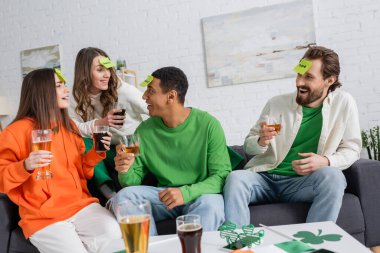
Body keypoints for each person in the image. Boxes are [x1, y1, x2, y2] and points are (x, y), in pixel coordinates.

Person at [224, 46, 362, 226]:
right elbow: (249, 146)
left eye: (308, 77)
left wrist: (326, 161)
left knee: (334, 177)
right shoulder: (276, 104)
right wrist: (261, 140)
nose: (299, 82)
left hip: (302, 183)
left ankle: (312, 243)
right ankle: (239, 244)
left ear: (329, 80)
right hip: (265, 178)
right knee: (236, 178)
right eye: (299, 74)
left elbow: (352, 149)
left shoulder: (343, 103)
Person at [0, 68, 121, 253]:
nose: (66, 90)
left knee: (114, 234)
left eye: (64, 85)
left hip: (80, 206)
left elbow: (82, 171)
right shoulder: (14, 132)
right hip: (42, 216)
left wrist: (96, 152)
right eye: (59, 86)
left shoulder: (68, 125)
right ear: (42, 92)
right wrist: (24, 166)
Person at [110, 66, 231, 235]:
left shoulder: (209, 124)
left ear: (171, 96)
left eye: (150, 91)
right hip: (164, 197)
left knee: (212, 205)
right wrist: (124, 169)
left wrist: (185, 193)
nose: (144, 96)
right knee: (125, 197)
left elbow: (222, 177)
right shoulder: (143, 131)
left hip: (200, 195)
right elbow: (131, 182)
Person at [69, 47, 148, 202]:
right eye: (100, 70)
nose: (106, 74)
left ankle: (129, 190)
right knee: (81, 141)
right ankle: (107, 190)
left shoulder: (124, 90)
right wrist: (102, 122)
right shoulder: (76, 97)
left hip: (130, 143)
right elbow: (73, 127)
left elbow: (155, 109)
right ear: (85, 73)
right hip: (107, 148)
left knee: (127, 145)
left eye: (108, 69)